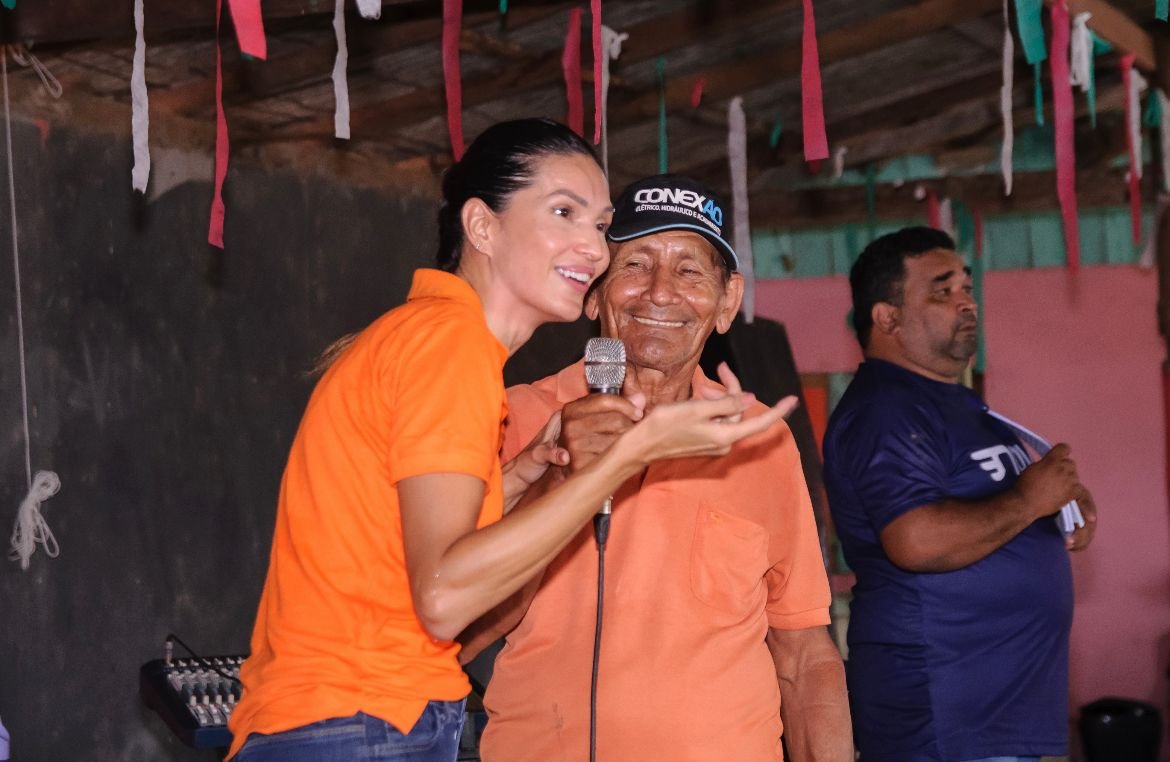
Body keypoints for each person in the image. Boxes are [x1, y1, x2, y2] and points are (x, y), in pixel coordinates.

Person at [226, 122, 795, 761]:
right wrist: (629, 457)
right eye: (563, 213)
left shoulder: (434, 335)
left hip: (353, 719)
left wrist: (526, 475)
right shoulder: (452, 345)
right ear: (482, 226)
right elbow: (443, 597)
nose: (592, 248)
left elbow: (402, 553)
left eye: (599, 225)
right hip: (361, 722)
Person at [462, 174, 852, 761]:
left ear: (727, 302)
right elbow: (458, 635)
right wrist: (561, 481)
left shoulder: (758, 438)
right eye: (636, 265)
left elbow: (803, 654)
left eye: (689, 271)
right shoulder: (514, 419)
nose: (660, 293)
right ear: (593, 292)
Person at [822, 227, 1098, 762]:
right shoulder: (886, 409)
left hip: (991, 709)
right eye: (942, 291)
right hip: (944, 711)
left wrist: (1060, 506)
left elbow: (991, 503)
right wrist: (1029, 502)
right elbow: (916, 539)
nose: (966, 302)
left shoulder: (958, 405)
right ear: (888, 318)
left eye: (967, 288)